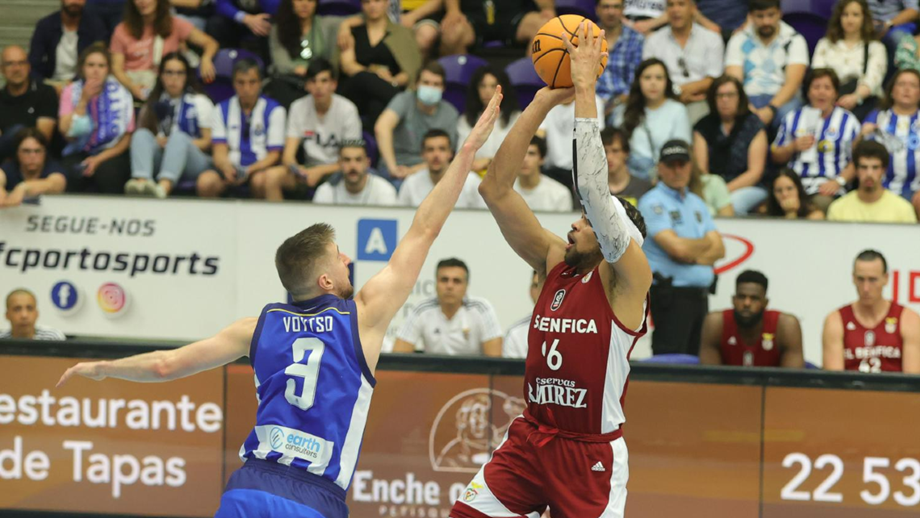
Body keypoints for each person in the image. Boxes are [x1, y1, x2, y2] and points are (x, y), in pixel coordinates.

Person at [56, 87, 505, 518]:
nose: (349, 259)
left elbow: (164, 366)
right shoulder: (362, 318)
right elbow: (424, 229)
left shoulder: (256, 328)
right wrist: (466, 153)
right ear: (326, 279)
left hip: (248, 488)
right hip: (312, 499)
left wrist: (102, 368)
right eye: (339, 257)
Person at [451, 24, 652, 517]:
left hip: (589, 454)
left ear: (615, 237)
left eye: (586, 221)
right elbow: (494, 190)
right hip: (531, 438)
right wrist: (542, 103)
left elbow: (596, 192)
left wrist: (585, 89)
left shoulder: (627, 278)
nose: (574, 224)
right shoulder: (556, 262)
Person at [639, 139, 725, 356]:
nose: (678, 170)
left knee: (698, 360)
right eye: (671, 165)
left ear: (690, 166)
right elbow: (678, 250)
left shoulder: (696, 201)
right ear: (660, 168)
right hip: (671, 296)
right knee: (671, 360)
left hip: (701, 295)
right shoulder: (652, 202)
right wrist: (704, 243)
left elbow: (720, 249)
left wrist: (692, 253)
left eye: (682, 164)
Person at [262, 59, 361, 201]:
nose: (318, 87)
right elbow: (288, 155)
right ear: (307, 85)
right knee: (271, 176)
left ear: (334, 84)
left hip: (338, 170)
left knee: (353, 172)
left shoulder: (347, 110)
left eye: (324, 81)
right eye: (313, 81)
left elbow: (352, 158)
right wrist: (297, 168)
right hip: (307, 169)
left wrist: (320, 171)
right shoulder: (298, 107)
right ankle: (279, 222)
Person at [771, 69, 861, 212]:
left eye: (827, 88)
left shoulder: (848, 121)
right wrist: (792, 147)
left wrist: (839, 181)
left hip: (829, 185)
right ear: (808, 92)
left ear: (835, 93)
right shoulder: (792, 117)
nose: (821, 92)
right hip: (793, 187)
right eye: (816, 87)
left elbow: (858, 160)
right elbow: (775, 155)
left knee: (820, 204)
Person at [126, 52, 214, 198]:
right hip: (163, 157)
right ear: (161, 76)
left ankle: (162, 189)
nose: (174, 78)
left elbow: (208, 141)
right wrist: (159, 142)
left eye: (180, 73)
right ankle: (142, 184)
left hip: (193, 160)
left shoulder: (200, 102)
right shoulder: (152, 102)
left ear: (186, 76)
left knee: (178, 138)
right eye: (169, 73)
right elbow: (146, 142)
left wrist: (177, 144)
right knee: (140, 135)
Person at [197, 59, 286, 199]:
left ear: (260, 83)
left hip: (260, 169)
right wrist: (226, 168)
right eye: (241, 82)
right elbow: (219, 151)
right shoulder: (221, 109)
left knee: (259, 181)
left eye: (252, 82)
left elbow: (274, 155)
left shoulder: (275, 110)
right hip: (230, 170)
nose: (246, 88)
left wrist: (249, 170)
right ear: (233, 84)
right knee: (206, 181)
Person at [822, 249, 920, 373]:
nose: (866, 288)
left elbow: (912, 384)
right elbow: (834, 383)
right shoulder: (836, 320)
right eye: (861, 279)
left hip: (894, 391)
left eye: (872, 280)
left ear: (886, 278)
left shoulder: (908, 319)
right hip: (850, 391)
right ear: (853, 278)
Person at [59, 43, 135, 194]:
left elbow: (127, 138)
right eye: (91, 65)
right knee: (71, 172)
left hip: (111, 151)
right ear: (82, 68)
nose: (95, 70)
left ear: (108, 70)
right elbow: (67, 133)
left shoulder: (122, 94)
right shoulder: (70, 91)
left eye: (101, 66)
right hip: (79, 149)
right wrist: (83, 101)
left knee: (108, 174)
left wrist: (98, 159)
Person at [338, 0, 422, 131]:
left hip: (386, 88)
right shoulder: (352, 31)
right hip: (354, 90)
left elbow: (409, 71)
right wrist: (374, 73)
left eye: (377, 1)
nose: (372, 5)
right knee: (364, 77)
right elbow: (348, 66)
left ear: (386, 3)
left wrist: (393, 81)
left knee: (376, 105)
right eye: (367, 2)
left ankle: (375, 148)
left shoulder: (401, 33)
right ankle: (406, 106)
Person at [725, 0, 809, 131]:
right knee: (732, 111)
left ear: (780, 13)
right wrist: (748, 108)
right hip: (747, 97)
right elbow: (734, 82)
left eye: (771, 15)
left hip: (782, 99)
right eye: (760, 16)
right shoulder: (738, 39)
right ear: (751, 16)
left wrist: (771, 109)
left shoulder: (794, 39)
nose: (766, 22)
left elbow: (792, 84)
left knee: (790, 116)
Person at [110, 0, 218, 101]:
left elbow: (210, 43)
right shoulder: (122, 30)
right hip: (131, 87)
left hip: (164, 88)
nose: (143, 2)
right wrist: (132, 87)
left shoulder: (175, 24)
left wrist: (206, 58)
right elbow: (116, 68)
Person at [393, 258, 503, 356]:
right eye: (444, 280)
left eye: (457, 281)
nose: (449, 286)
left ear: (466, 286)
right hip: (432, 376)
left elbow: (495, 361)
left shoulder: (481, 309)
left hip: (473, 376)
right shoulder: (422, 309)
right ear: (436, 284)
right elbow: (398, 357)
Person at [693, 75, 769, 214]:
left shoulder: (754, 125)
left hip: (749, 186)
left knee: (734, 204)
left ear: (740, 97)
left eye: (730, 95)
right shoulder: (703, 127)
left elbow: (755, 173)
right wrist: (715, 191)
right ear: (713, 99)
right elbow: (701, 170)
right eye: (720, 95)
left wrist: (723, 191)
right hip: (712, 186)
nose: (725, 100)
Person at [375, 62, 459, 186]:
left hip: (431, 169)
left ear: (443, 88)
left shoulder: (450, 113)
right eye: (426, 83)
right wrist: (393, 168)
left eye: (436, 84)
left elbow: (447, 155)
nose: (431, 87)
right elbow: (381, 127)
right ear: (416, 84)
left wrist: (412, 171)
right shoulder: (403, 100)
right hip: (395, 167)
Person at [700, 270, 805, 368]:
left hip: (772, 387)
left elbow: (792, 382)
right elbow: (709, 379)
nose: (747, 303)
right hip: (727, 387)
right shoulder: (716, 323)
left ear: (765, 302)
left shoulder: (785, 326)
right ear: (733, 300)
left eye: (754, 298)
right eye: (741, 297)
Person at [642, 0, 725, 123]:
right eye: (671, 5)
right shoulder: (653, 41)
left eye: (681, 4)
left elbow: (713, 79)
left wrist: (680, 91)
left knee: (701, 118)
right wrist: (675, 93)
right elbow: (648, 78)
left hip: (700, 99)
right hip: (663, 99)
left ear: (693, 8)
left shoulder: (712, 39)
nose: (675, 10)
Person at [813, 0, 887, 121]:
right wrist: (830, 100)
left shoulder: (876, 47)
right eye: (845, 14)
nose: (849, 19)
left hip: (864, 102)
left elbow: (873, 80)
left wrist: (855, 97)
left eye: (855, 15)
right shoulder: (825, 44)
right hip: (828, 99)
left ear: (864, 18)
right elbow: (818, 75)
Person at [619, 58, 692, 180]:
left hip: (667, 175)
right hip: (632, 177)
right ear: (638, 81)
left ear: (666, 82)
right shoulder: (625, 111)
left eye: (659, 78)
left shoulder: (678, 110)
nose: (653, 83)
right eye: (647, 78)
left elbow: (681, 149)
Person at [861, 69, 920, 217]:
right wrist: (861, 136)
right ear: (892, 90)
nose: (907, 89)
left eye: (913, 85)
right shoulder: (877, 116)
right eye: (901, 84)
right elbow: (858, 155)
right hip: (880, 189)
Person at [267, 0, 344, 108]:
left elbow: (362, 16)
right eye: (299, 0)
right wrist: (301, 70)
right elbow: (280, 63)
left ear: (316, 4)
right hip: (291, 80)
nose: (304, 4)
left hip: (318, 79)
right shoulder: (279, 28)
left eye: (310, 0)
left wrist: (346, 27)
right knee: (279, 85)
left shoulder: (325, 24)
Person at [827, 140, 918, 222]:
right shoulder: (838, 208)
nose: (869, 173)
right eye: (864, 167)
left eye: (875, 167)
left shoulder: (903, 209)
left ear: (883, 170)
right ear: (856, 170)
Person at [29, 0, 108, 88]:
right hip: (50, 83)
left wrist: (71, 86)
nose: (75, 2)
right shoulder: (45, 25)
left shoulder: (96, 26)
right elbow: (33, 63)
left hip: (83, 83)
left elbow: (100, 62)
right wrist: (47, 86)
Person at [398, 129, 485, 208]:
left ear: (450, 153)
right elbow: (400, 217)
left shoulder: (470, 181)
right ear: (423, 154)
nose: (436, 155)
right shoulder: (411, 183)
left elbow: (484, 217)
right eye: (430, 150)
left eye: (442, 149)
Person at [0, 46, 59, 163]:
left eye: (21, 63)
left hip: (40, 160)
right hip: (5, 161)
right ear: (2, 69)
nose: (16, 69)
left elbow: (42, 139)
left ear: (29, 67)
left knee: (17, 131)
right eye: (10, 64)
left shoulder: (46, 93)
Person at [458, 67, 521, 175]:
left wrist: (488, 161)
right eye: (483, 86)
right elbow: (460, 158)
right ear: (476, 89)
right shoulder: (465, 120)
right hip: (473, 176)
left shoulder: (517, 118)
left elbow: (520, 155)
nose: (487, 91)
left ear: (503, 89)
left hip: (509, 175)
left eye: (494, 86)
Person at [538, 92, 606, 189]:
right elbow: (539, 134)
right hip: (551, 170)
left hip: (582, 171)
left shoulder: (592, 100)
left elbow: (596, 136)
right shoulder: (546, 100)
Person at [439, 0, 555, 55]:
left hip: (512, 16)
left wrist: (547, 8)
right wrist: (453, 10)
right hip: (474, 17)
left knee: (544, 26)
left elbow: (546, 6)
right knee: (451, 32)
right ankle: (461, 85)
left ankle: (530, 79)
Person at [595, 0, 645, 123]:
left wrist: (613, 104)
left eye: (616, 7)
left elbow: (635, 83)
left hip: (622, 103)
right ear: (597, 10)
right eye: (606, 7)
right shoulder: (587, 38)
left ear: (623, 9)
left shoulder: (636, 39)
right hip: (591, 101)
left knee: (621, 119)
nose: (611, 12)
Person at [312, 140, 398, 205]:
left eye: (358, 160)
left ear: (367, 163)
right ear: (339, 163)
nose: (352, 165)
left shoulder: (384, 191)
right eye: (347, 160)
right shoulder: (325, 192)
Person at [0, 129, 68, 208]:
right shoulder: (10, 167)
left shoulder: (53, 167)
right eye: (26, 151)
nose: (32, 156)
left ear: (45, 153)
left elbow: (57, 183)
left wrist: (23, 188)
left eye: (37, 151)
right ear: (17, 153)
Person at [513, 136, 574, 212]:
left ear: (542, 159)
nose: (525, 159)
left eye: (531, 154)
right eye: (521, 154)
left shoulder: (560, 194)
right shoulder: (503, 191)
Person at [603, 126, 652, 207]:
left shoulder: (644, 188)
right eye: (604, 151)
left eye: (615, 151)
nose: (609, 157)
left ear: (626, 153)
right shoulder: (591, 191)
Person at [502, 271, 543, 359]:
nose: (540, 291)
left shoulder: (575, 328)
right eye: (536, 286)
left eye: (546, 285)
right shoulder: (515, 334)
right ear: (530, 291)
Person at [866, 0, 918, 67]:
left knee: (899, 39)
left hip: (896, 24)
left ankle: (902, 74)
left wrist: (888, 24)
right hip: (866, 23)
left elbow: (913, 10)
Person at [1, 290, 66, 341]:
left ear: (37, 313)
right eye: (17, 309)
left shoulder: (53, 337)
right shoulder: (1, 340)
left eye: (29, 308)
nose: (24, 315)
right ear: (7, 315)